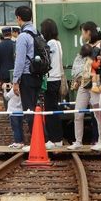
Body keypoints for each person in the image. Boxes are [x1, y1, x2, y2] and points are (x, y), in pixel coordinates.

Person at [68, 22, 101, 151]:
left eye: (82, 32)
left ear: (88, 32)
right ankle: (78, 141)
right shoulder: (86, 46)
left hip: (97, 83)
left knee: (98, 113)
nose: (81, 35)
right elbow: (82, 65)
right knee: (78, 112)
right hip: (84, 83)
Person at [12, 6, 41, 133]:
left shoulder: (23, 36)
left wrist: (15, 81)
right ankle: (41, 138)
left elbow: (20, 61)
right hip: (38, 74)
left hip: (27, 76)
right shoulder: (37, 33)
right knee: (36, 108)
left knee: (29, 110)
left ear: (18, 18)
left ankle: (36, 140)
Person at [41, 18, 64, 148]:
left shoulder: (51, 43)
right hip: (57, 79)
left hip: (51, 79)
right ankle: (57, 138)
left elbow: (46, 61)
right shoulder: (58, 43)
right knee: (53, 109)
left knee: (50, 111)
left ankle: (54, 139)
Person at [5, 81, 25, 149]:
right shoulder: (23, 90)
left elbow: (6, 97)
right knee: (20, 128)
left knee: (15, 128)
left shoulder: (13, 90)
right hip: (20, 112)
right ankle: (21, 142)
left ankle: (17, 142)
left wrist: (4, 89)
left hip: (13, 112)